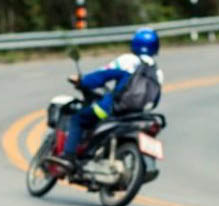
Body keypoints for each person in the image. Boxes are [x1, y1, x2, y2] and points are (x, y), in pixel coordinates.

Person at [55, 27, 164, 171]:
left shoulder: (128, 60)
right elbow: (155, 99)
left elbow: (101, 76)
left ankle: (68, 157)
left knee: (78, 119)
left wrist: (82, 81)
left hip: (113, 110)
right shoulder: (157, 72)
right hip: (138, 116)